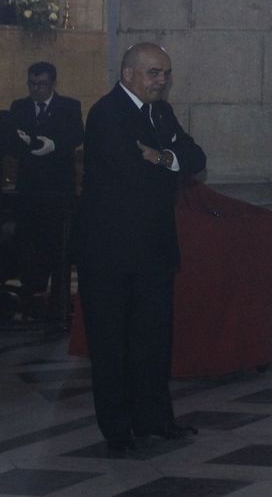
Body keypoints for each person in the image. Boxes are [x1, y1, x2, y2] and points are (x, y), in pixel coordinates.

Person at [73, 44, 206, 454]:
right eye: (153, 73)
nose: (161, 81)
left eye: (165, 73)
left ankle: (155, 420)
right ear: (129, 73)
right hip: (110, 252)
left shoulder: (161, 113)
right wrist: (169, 164)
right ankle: (118, 430)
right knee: (112, 343)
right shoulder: (106, 114)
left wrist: (163, 157)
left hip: (153, 249)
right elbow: (133, 176)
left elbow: (194, 156)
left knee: (153, 340)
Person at [7, 61, 83, 300]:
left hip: (58, 187)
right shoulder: (19, 107)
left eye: (41, 84)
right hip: (29, 186)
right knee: (28, 239)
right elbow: (13, 140)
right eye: (32, 83)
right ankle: (30, 288)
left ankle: (57, 298)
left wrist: (54, 145)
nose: (36, 88)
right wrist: (24, 142)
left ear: (53, 83)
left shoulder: (69, 106)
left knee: (57, 242)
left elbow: (76, 136)